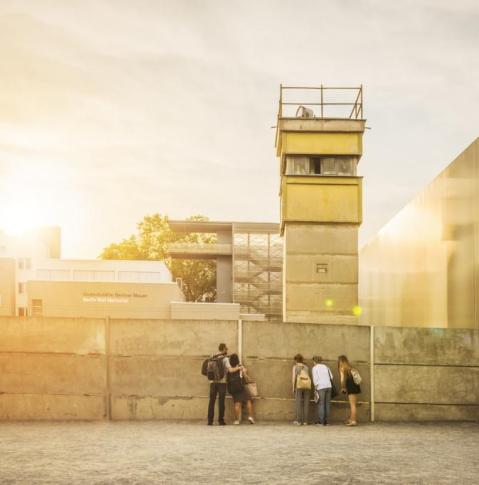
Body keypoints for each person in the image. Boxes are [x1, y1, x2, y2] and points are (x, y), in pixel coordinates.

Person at [207, 343, 231, 425]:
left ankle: (210, 421)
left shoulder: (213, 357)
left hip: (213, 382)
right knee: (221, 402)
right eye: (226, 349)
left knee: (211, 401)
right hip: (222, 383)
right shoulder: (225, 359)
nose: (227, 350)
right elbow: (229, 370)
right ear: (224, 349)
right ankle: (221, 420)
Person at [227, 353, 255, 425]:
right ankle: (251, 417)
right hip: (242, 386)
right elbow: (245, 373)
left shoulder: (229, 368)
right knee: (248, 401)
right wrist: (242, 370)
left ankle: (236, 420)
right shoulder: (240, 367)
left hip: (234, 388)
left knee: (237, 404)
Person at [338, 355, 361, 426]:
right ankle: (351, 419)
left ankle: (353, 421)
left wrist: (342, 387)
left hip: (350, 387)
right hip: (355, 386)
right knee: (353, 404)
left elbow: (342, 380)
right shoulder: (350, 367)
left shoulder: (342, 368)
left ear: (341, 361)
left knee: (352, 405)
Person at [312, 355, 333, 426]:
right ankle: (327, 422)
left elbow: (315, 379)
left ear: (314, 361)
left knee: (321, 404)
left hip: (320, 387)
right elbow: (331, 377)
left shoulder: (315, 368)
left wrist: (315, 388)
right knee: (327, 404)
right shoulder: (326, 367)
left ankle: (321, 421)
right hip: (329, 386)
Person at [292, 353, 311, 425]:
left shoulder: (295, 367)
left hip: (299, 385)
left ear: (296, 360)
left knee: (298, 403)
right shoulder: (306, 367)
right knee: (306, 403)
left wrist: (293, 387)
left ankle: (298, 420)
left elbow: (293, 378)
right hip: (307, 386)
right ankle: (306, 421)